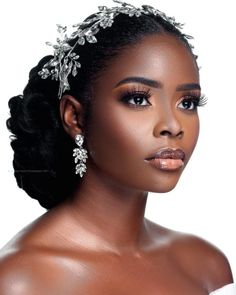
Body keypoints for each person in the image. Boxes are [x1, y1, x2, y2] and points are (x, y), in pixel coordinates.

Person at [0, 0, 235, 294]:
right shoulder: (20, 281)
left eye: (187, 103)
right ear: (75, 116)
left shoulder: (207, 266)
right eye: (138, 99)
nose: (174, 126)